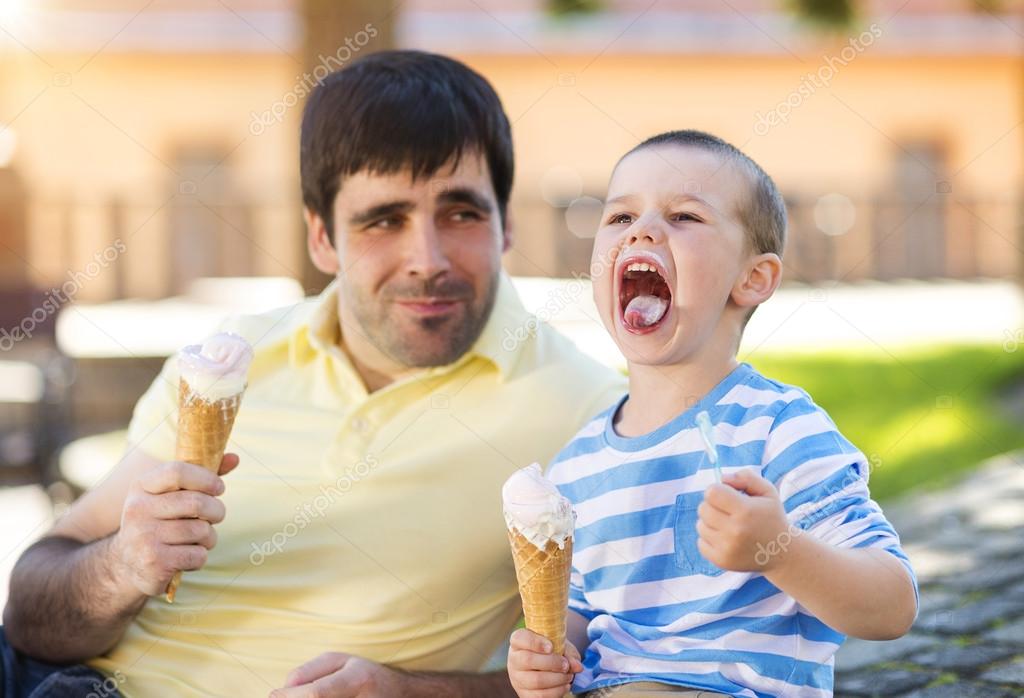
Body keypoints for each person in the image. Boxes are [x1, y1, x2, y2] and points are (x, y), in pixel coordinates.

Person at [1, 50, 625, 698]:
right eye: (384, 220)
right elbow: (28, 615)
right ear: (321, 237)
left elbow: (624, 663)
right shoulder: (234, 356)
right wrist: (121, 566)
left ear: (506, 223)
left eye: (461, 213)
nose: (427, 258)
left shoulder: (586, 411)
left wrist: (407, 691)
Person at [507, 130, 919, 698]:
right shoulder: (575, 467)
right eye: (620, 217)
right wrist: (547, 656)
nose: (643, 230)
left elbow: (893, 605)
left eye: (684, 216)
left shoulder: (777, 427)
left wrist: (780, 549)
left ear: (752, 279)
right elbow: (579, 616)